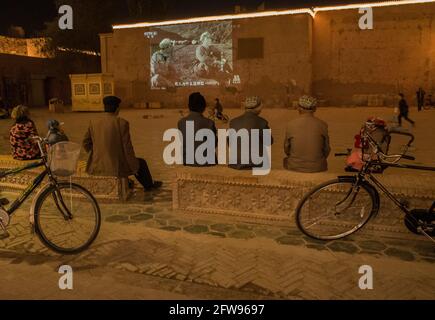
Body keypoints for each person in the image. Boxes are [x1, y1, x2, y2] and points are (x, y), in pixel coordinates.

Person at [82, 96, 162, 191]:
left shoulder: (93, 122)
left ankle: (129, 182)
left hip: (96, 165)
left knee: (133, 163)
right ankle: (149, 186)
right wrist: (134, 167)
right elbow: (127, 148)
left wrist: (97, 153)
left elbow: (85, 143)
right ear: (117, 108)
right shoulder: (122, 123)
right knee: (141, 163)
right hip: (115, 167)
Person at [283, 95, 331, 173]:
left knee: (285, 160)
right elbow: (326, 150)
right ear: (315, 109)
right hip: (318, 167)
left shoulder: (290, 124)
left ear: (299, 108)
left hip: (294, 167)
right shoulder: (323, 124)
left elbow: (286, 149)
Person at [228, 96, 273, 170]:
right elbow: (269, 142)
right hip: (255, 164)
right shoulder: (262, 122)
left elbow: (229, 143)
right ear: (258, 108)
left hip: (235, 163)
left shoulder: (233, 122)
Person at [178, 92, 217, 166]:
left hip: (187, 162)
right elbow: (214, 144)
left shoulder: (181, 123)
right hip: (206, 163)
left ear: (189, 106)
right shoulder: (209, 123)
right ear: (203, 107)